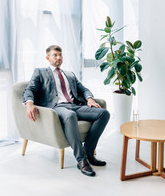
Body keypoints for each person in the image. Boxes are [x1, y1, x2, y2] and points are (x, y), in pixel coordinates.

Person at [23, 45, 110, 177]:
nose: (59, 57)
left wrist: (90, 98)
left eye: (60, 54)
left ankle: (88, 153)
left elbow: (83, 89)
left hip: (74, 104)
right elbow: (30, 89)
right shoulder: (40, 72)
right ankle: (82, 160)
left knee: (103, 113)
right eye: (55, 55)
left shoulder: (70, 74)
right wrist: (29, 103)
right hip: (56, 108)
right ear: (48, 58)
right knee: (70, 115)